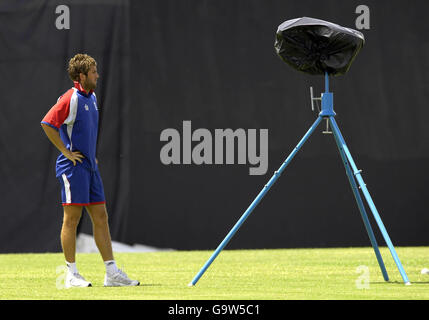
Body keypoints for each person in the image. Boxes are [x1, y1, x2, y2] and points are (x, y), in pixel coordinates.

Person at [41, 53, 139, 288]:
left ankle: (111, 273)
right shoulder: (70, 98)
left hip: (90, 167)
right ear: (82, 76)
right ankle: (71, 274)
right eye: (93, 72)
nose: (98, 75)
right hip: (72, 167)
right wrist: (66, 151)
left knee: (101, 217)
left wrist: (90, 155)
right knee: (72, 219)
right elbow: (47, 123)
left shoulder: (92, 96)